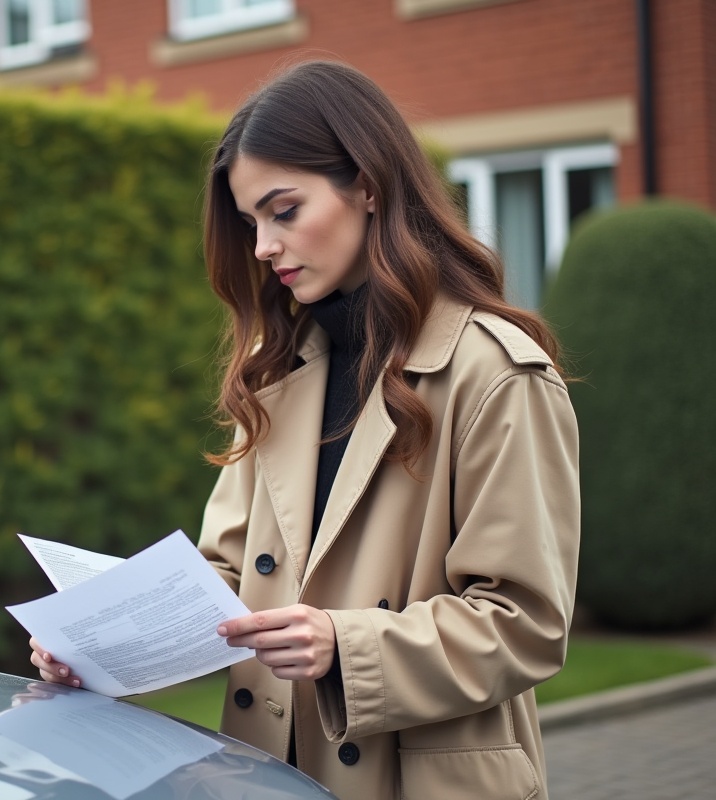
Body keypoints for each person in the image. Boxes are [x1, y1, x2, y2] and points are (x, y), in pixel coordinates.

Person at [31, 60, 580, 800]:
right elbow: (225, 582)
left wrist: (344, 646)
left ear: (369, 186)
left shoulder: (495, 373)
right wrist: (98, 644)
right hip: (268, 773)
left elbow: (527, 622)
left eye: (284, 211)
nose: (262, 245)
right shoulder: (277, 366)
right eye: (251, 222)